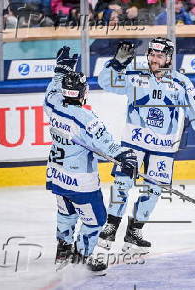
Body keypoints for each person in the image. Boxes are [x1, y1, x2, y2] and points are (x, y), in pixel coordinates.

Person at [97, 37, 195, 252]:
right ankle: (111, 225)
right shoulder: (133, 75)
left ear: (169, 58)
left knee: (154, 190)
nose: (154, 59)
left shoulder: (181, 83)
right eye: (152, 54)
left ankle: (135, 231)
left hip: (164, 147)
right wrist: (116, 63)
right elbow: (105, 83)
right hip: (133, 142)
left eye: (159, 56)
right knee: (122, 184)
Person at [44, 46, 138, 274]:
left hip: (56, 174)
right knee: (96, 220)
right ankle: (82, 253)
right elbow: (106, 143)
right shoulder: (87, 119)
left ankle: (63, 247)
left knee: (66, 212)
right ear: (83, 92)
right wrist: (124, 155)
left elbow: (53, 89)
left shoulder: (52, 104)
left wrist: (60, 72)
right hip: (80, 181)